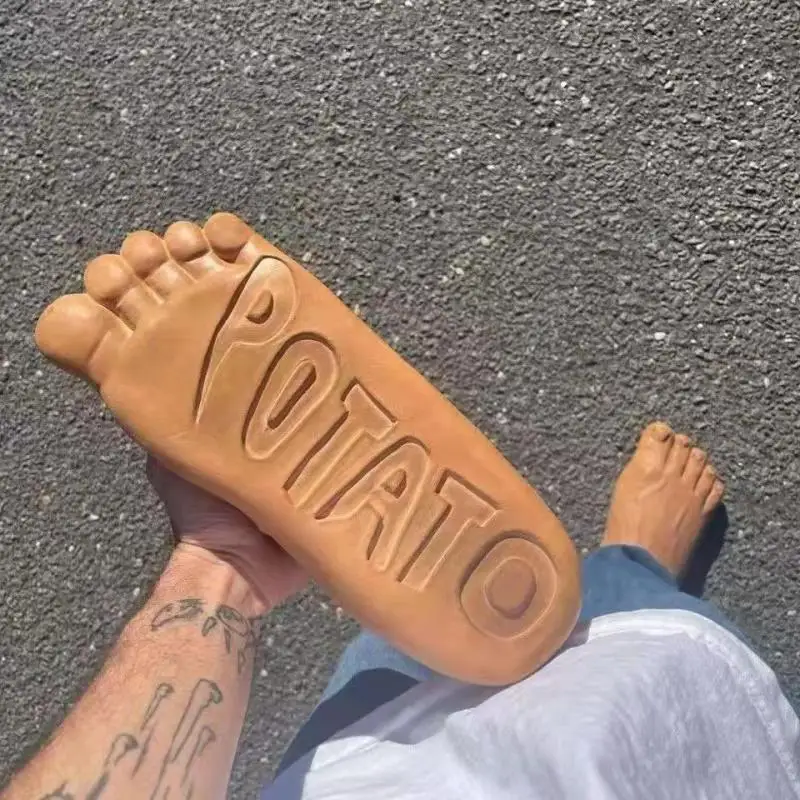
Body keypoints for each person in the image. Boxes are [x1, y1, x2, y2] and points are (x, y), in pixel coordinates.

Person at [3, 423, 798, 799]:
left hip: (353, 772)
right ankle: (636, 560)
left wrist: (222, 568)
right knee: (617, 650)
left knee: (397, 659)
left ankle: (525, 600)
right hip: (612, 759)